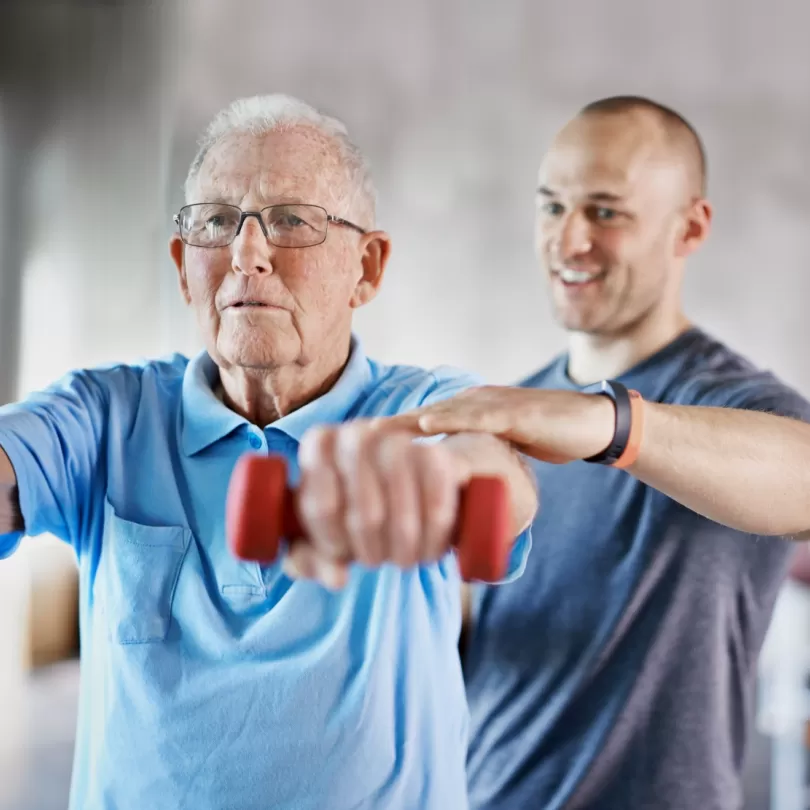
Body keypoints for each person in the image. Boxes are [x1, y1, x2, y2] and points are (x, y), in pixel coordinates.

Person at [0, 94, 537, 810]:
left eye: (292, 221)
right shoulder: (106, 416)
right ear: (184, 264)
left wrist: (437, 478)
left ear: (367, 268)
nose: (248, 254)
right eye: (217, 223)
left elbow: (495, 465)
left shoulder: (421, 408)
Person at [387, 96, 810, 809]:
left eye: (605, 212)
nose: (568, 239)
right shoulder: (511, 414)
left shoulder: (742, 408)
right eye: (552, 207)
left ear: (690, 228)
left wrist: (609, 427)